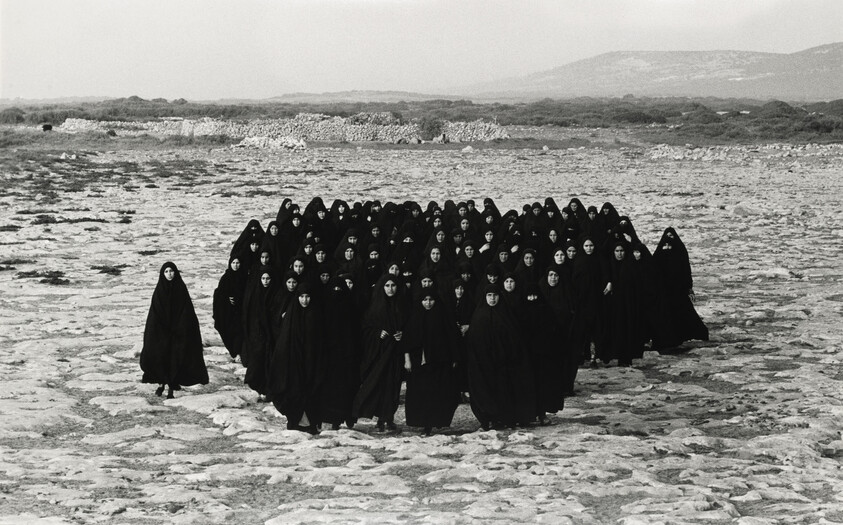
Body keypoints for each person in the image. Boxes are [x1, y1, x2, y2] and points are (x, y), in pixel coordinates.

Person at [464, 285, 535, 430]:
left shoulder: (506, 315)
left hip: (504, 365)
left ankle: (503, 418)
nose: (492, 298)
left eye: (495, 295)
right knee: (485, 391)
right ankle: (487, 419)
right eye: (489, 295)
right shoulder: (479, 316)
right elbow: (473, 342)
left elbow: (515, 340)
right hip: (484, 364)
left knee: (504, 392)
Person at [140, 262, 208, 399]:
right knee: (161, 357)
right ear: (162, 274)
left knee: (175, 358)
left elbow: (186, 311)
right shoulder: (159, 291)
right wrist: (160, 330)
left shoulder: (181, 289)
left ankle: (171, 386)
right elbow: (155, 313)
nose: (169, 274)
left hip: (178, 332)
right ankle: (161, 383)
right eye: (166, 271)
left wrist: (181, 327)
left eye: (171, 271)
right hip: (162, 332)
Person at [352, 274, 409, 432]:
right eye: (387, 286)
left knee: (393, 386)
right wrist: (377, 333)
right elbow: (365, 328)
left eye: (393, 285)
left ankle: (388, 418)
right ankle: (380, 417)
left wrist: (403, 334)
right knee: (379, 385)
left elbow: (410, 326)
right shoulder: (375, 307)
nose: (390, 289)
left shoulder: (402, 306)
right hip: (379, 353)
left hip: (395, 353)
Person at [403, 290, 461, 436]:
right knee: (421, 395)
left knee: (438, 394)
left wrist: (454, 358)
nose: (428, 303)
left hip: (439, 363)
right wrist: (407, 360)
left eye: (431, 299)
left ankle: (437, 421)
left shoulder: (443, 316)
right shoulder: (415, 317)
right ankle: (425, 425)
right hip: (419, 364)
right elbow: (407, 342)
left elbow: (452, 337)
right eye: (425, 300)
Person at [268, 284, 324, 434]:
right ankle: (297, 422)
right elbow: (285, 341)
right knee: (295, 391)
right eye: (301, 297)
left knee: (311, 390)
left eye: (307, 297)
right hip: (294, 361)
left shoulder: (316, 314)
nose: (304, 300)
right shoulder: (292, 315)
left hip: (311, 361)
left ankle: (310, 424)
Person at [652, 227, 709, 351]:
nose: (668, 243)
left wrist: (688, 287)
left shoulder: (680, 251)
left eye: (671, 237)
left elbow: (686, 270)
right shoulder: (660, 252)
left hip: (678, 290)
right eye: (666, 239)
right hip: (664, 291)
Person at [212, 256, 248, 360]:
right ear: (230, 264)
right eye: (233, 263)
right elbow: (219, 294)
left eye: (238, 263)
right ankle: (234, 352)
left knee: (240, 332)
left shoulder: (243, 276)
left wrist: (239, 299)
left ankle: (239, 353)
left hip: (241, 310)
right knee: (230, 332)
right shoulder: (226, 278)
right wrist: (227, 300)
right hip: (228, 312)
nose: (236, 265)